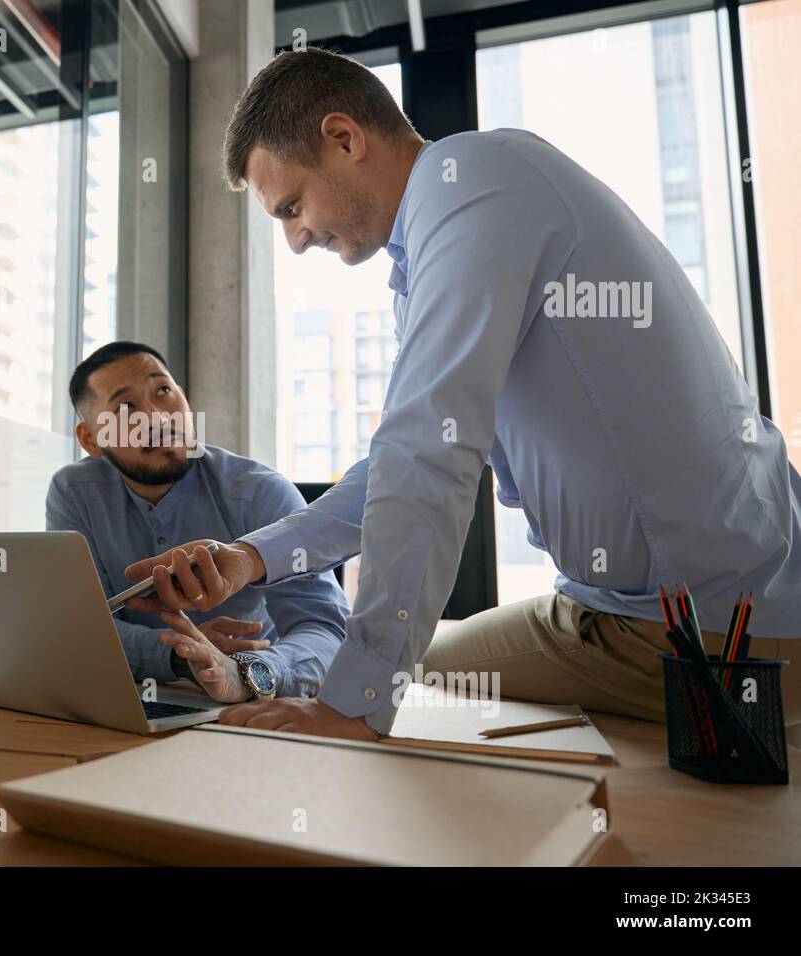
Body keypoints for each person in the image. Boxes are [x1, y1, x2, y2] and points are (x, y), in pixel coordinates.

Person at [122, 48, 801, 743]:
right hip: (617, 607)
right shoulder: (443, 231)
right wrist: (252, 557)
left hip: (704, 625)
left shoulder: (474, 184)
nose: (295, 240)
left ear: (344, 138)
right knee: (401, 673)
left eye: (292, 207)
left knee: (390, 688)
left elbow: (424, 455)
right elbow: (406, 462)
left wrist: (352, 709)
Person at [47, 340, 348, 703]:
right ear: (91, 440)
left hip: (255, 706)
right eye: (126, 407)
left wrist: (246, 671)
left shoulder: (259, 493)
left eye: (163, 391)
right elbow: (76, 626)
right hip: (128, 700)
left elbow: (327, 628)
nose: (158, 417)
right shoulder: (75, 493)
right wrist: (181, 656)